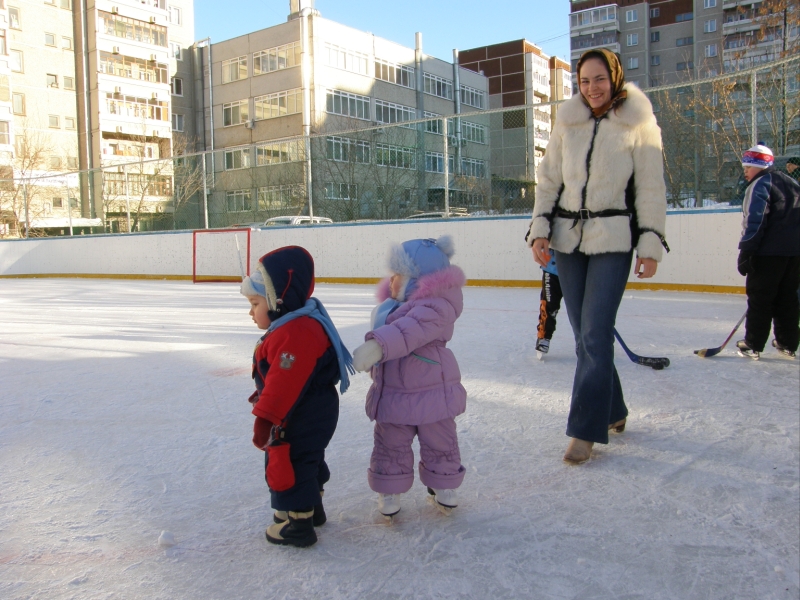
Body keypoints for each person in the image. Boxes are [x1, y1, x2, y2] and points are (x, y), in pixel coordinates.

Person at [527, 48, 668, 465]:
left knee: (594, 332)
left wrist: (650, 244)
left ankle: (585, 430)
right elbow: (549, 179)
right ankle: (614, 409)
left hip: (613, 239)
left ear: (615, 78)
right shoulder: (568, 121)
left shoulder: (639, 122)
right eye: (584, 81)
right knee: (585, 335)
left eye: (600, 79)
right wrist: (539, 230)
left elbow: (650, 188)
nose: (592, 88)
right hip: (568, 241)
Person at [241, 245, 353, 548]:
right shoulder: (296, 323)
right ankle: (312, 509)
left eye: (255, 303)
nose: (250, 312)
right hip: (312, 410)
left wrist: (266, 417)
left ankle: (299, 525)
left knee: (290, 462)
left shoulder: (296, 331)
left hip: (299, 414)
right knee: (306, 460)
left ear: (278, 299)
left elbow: (284, 383)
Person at [352, 236, 467, 518]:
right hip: (395, 391)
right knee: (390, 444)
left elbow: (409, 330)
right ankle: (389, 489)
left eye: (398, 275)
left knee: (440, 441)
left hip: (432, 393)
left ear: (417, 281)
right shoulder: (392, 307)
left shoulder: (436, 307)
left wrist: (377, 346)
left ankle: (444, 485)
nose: (390, 280)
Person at [735, 144, 800, 360]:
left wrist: (747, 250)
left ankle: (753, 343)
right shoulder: (791, 182)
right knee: (787, 297)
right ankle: (788, 342)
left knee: (760, 297)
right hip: (794, 254)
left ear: (760, 166)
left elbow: (755, 220)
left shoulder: (760, 184)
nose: (745, 171)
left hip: (767, 254)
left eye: (749, 167)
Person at [535, 254, 562, 360]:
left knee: (581, 309)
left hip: (577, 269)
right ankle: (543, 336)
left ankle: (585, 341)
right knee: (549, 307)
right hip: (552, 269)